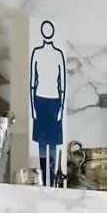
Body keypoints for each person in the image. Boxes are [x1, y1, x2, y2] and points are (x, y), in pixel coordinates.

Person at [28, 19, 68, 186]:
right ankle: (43, 180)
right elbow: (32, 82)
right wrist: (32, 108)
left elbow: (63, 84)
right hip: (40, 100)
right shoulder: (36, 52)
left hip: (54, 101)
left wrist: (61, 107)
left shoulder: (59, 54)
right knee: (42, 144)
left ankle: (52, 180)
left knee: (53, 144)